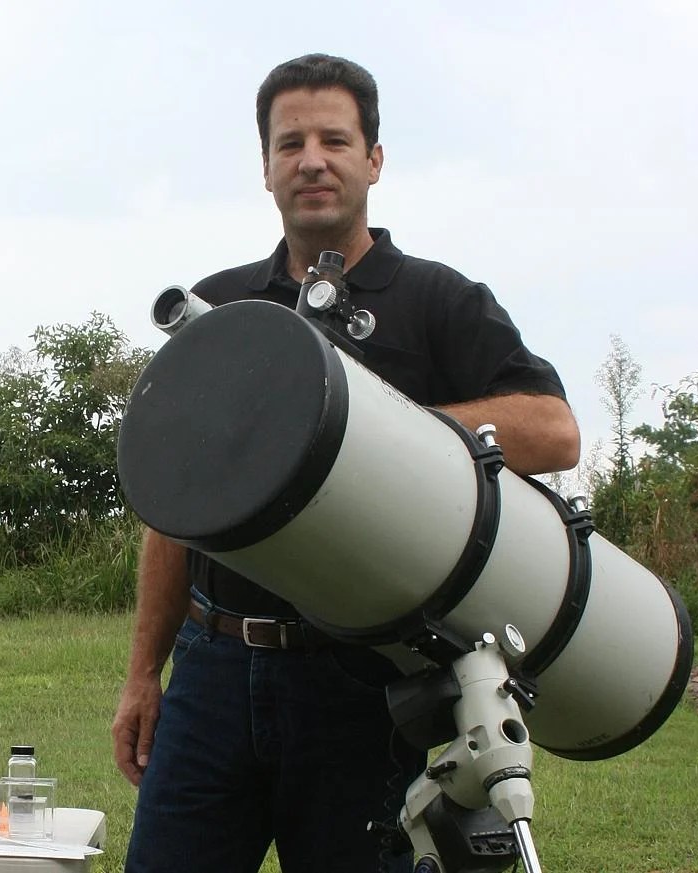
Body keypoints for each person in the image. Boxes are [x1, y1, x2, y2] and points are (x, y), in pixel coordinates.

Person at [113, 53, 581, 873]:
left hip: (360, 687)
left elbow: (552, 429)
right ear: (265, 168)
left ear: (374, 159)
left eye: (335, 139)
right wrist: (143, 674)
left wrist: (372, 434)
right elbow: (173, 511)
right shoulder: (222, 308)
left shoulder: (439, 301)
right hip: (214, 673)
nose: (313, 159)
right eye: (290, 143)